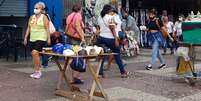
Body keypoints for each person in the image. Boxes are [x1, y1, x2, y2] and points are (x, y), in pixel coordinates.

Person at [96, 4, 129, 78]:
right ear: (109, 10)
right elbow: (112, 28)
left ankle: (100, 73)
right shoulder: (110, 17)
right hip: (110, 38)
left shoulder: (99, 17)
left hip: (101, 38)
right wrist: (116, 39)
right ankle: (123, 72)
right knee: (117, 54)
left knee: (102, 55)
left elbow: (98, 27)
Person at [24, 2, 51, 79]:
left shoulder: (44, 17)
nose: (35, 9)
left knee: (35, 52)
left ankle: (38, 71)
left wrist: (48, 38)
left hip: (41, 38)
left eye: (37, 8)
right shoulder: (31, 17)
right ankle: (36, 71)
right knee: (34, 55)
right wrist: (26, 37)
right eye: (35, 8)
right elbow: (28, 28)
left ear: (41, 9)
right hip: (32, 38)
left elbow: (47, 28)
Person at [65, 4, 85, 84]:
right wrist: (82, 38)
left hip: (70, 37)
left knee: (73, 57)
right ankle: (76, 77)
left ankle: (73, 78)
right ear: (80, 9)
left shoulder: (69, 16)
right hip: (76, 39)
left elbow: (67, 26)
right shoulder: (78, 15)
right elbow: (77, 26)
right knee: (80, 57)